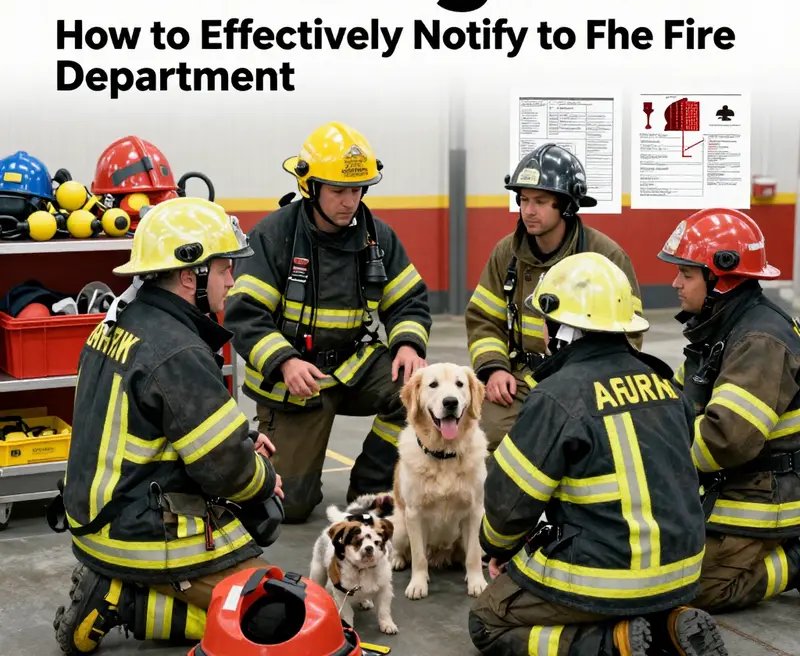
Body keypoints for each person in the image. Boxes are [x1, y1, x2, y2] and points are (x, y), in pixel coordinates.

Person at [51, 197, 284, 655]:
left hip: (96, 514)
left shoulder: (122, 321)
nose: (232, 280)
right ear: (189, 275)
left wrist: (240, 439)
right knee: (268, 615)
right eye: (223, 269)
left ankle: (121, 588)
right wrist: (265, 479)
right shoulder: (177, 350)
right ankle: (122, 597)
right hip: (132, 529)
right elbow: (227, 472)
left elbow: (167, 423)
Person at [469, 251, 726, 656]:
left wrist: (499, 548)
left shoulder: (559, 395)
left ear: (562, 326)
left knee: (487, 619)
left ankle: (613, 643)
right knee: (625, 591)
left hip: (604, 577)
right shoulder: (663, 382)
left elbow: (509, 501)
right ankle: (667, 626)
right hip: (684, 573)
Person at [224, 121, 431, 523]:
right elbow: (244, 313)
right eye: (338, 191)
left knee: (417, 391)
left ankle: (371, 483)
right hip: (297, 379)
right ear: (310, 187)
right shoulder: (274, 236)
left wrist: (407, 344)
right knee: (291, 506)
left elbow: (409, 299)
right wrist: (285, 361)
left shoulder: (378, 237)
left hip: (354, 366)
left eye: (357, 190)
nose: (350, 201)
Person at [657, 208, 800, 612]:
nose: (675, 283)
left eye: (686, 274)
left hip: (765, 494)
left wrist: (659, 454)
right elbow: (681, 400)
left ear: (722, 276)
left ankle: (794, 561)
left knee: (691, 588)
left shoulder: (760, 340)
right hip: (732, 483)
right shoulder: (720, 326)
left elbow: (726, 440)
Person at [466, 143, 643, 452]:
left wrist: (584, 379)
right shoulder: (507, 254)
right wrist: (494, 369)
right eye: (523, 200)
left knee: (586, 445)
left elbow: (630, 333)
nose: (529, 210)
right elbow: (484, 319)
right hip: (520, 380)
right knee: (484, 435)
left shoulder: (605, 256)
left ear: (567, 205)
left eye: (541, 201)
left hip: (588, 382)